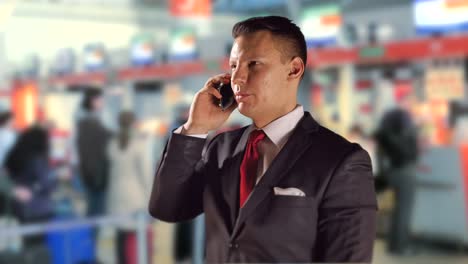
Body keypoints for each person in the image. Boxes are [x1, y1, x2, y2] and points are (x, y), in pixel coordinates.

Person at [149, 16, 377, 263]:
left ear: (294, 69)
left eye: (253, 64)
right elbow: (167, 207)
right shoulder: (221, 149)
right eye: (234, 65)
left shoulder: (341, 162)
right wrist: (195, 128)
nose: (237, 78)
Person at [374, 92, 419, 255]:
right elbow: (409, 145)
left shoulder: (387, 119)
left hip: (391, 170)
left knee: (397, 210)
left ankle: (393, 246)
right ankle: (401, 247)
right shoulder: (403, 117)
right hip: (404, 169)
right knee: (404, 211)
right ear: (406, 101)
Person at [106, 111, 153, 264]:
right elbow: (146, 175)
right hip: (135, 196)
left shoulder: (112, 144)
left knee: (121, 235)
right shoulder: (139, 144)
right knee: (137, 239)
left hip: (116, 195)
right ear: (134, 124)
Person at [76, 87, 112, 217]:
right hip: (95, 171)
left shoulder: (88, 118)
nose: (102, 103)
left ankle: (92, 234)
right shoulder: (87, 120)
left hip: (91, 170)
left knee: (94, 206)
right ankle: (92, 235)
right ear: (92, 101)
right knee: (96, 208)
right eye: (100, 99)